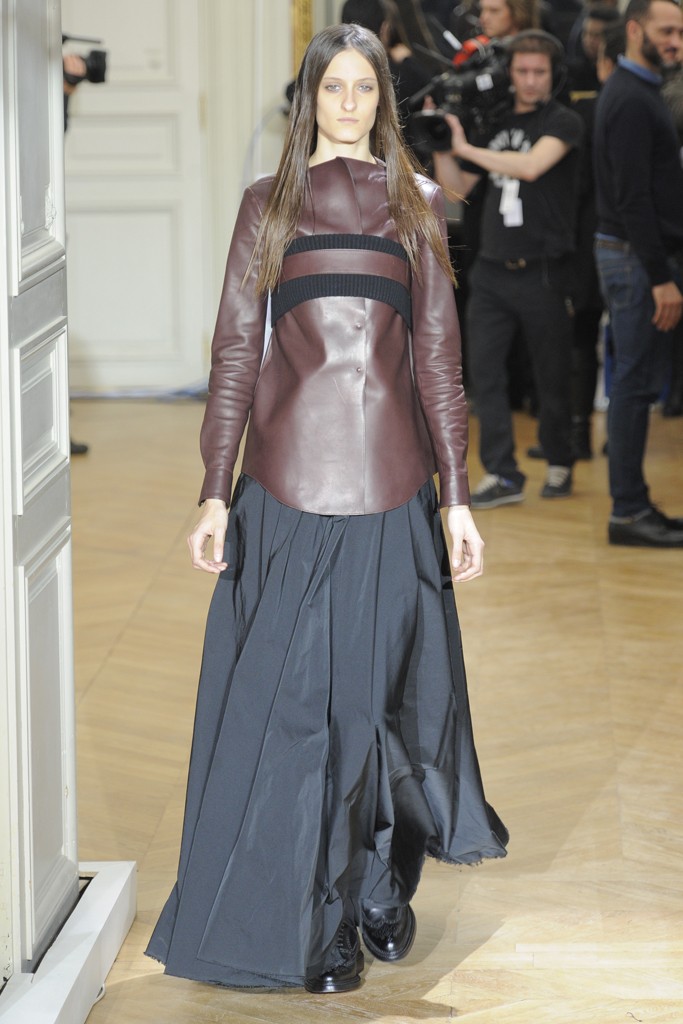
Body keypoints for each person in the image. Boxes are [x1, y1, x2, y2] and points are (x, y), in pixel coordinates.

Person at [144, 23, 508, 995]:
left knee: (378, 703)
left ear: (383, 99)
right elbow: (234, 354)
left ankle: (376, 889)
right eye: (332, 87)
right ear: (307, 99)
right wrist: (213, 490)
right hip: (286, 494)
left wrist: (457, 499)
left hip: (392, 495)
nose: (348, 104)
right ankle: (324, 916)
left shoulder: (417, 203)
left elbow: (438, 362)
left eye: (364, 88)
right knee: (295, 712)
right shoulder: (266, 205)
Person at [433, 30, 583, 507]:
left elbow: (532, 166)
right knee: (485, 375)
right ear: (510, 73)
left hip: (542, 268)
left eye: (540, 72)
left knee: (550, 373)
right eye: (522, 71)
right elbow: (456, 189)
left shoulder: (563, 121)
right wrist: (442, 144)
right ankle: (502, 473)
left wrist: (466, 148)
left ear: (553, 75)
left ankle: (559, 460)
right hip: (492, 269)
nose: (531, 80)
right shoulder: (495, 122)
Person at [593, 0, 683, 547]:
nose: (676, 41)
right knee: (632, 387)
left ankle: (636, 504)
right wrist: (660, 276)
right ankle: (627, 512)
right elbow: (632, 199)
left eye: (681, 32)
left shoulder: (642, 90)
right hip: (635, 260)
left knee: (638, 383)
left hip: (636, 257)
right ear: (634, 29)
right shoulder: (630, 97)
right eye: (666, 30)